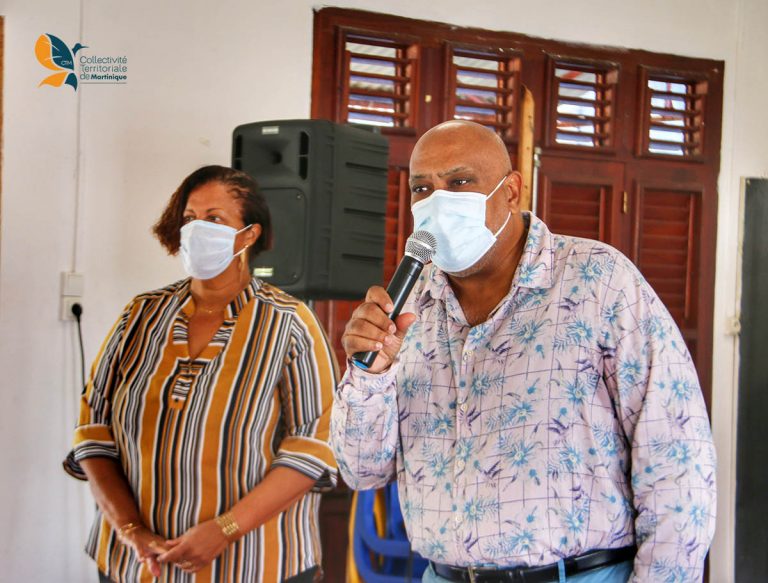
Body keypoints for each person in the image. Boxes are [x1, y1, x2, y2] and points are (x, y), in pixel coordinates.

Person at [331, 121, 716, 582]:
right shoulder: (409, 307)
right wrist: (370, 376)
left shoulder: (600, 282)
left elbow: (678, 463)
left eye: (459, 182)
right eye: (422, 188)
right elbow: (362, 471)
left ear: (511, 191)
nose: (437, 201)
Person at [63, 165, 338, 582]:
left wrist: (225, 529)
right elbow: (93, 430)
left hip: (255, 564)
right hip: (135, 564)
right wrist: (131, 529)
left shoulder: (290, 323)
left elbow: (314, 446)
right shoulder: (140, 315)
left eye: (214, 219)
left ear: (249, 234)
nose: (196, 230)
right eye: (190, 218)